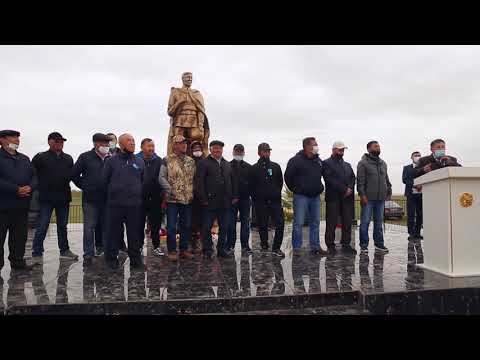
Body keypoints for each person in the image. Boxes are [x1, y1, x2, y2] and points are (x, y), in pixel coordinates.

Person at [31, 132, 78, 263]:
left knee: (62, 226)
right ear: (49, 142)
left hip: (63, 198)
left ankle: (64, 250)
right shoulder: (40, 157)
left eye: (62, 141)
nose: (60, 143)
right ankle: (37, 252)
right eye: (57, 141)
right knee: (42, 226)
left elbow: (73, 176)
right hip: (46, 198)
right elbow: (31, 174)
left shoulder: (68, 158)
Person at [103, 133, 145, 270]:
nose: (132, 142)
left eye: (133, 140)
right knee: (113, 233)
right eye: (129, 140)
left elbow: (142, 180)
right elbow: (104, 181)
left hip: (134, 205)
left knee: (134, 234)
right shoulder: (111, 161)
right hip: (115, 205)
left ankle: (136, 261)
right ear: (121, 144)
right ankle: (111, 260)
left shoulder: (139, 161)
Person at [71, 133, 111, 265]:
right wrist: (85, 186)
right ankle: (88, 254)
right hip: (90, 199)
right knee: (89, 228)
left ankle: (106, 252)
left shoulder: (111, 158)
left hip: (107, 199)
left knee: (106, 227)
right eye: (103, 143)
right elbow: (74, 174)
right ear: (95, 144)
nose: (106, 146)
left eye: (107, 143)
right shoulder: (85, 157)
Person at [196, 140, 239, 259]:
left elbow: (233, 181)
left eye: (219, 148)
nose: (217, 150)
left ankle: (221, 250)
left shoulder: (227, 164)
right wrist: (203, 198)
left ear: (222, 150)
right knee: (206, 227)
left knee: (224, 227)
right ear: (210, 149)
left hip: (225, 202)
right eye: (215, 148)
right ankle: (207, 250)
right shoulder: (204, 163)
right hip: (209, 202)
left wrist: (235, 195)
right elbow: (199, 182)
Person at [284, 137, 328, 255]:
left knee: (315, 222)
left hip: (315, 197)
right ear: (307, 147)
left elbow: (325, 175)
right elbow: (288, 176)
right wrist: (296, 189)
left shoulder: (318, 161)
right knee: (298, 222)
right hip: (301, 196)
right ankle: (297, 248)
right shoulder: (296, 160)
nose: (316, 146)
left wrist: (321, 187)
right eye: (314, 144)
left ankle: (315, 246)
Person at [0, 130, 34, 270]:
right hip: (3, 206)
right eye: (13, 137)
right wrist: (16, 189)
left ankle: (17, 261)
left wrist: (30, 187)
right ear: (2, 140)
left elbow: (35, 176)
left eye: (18, 137)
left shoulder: (24, 158)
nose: (17, 140)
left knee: (19, 237)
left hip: (21, 206)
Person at [159, 135, 196, 262]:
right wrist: (170, 190)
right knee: (171, 227)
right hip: (172, 200)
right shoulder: (166, 160)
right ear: (174, 145)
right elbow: (161, 177)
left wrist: (192, 192)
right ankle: (172, 251)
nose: (183, 145)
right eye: (180, 143)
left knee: (186, 225)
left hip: (187, 199)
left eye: (185, 143)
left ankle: (184, 249)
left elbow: (194, 178)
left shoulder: (191, 161)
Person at [249, 143, 285, 257]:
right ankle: (264, 244)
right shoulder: (253, 168)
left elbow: (280, 182)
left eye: (268, 151)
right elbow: (251, 185)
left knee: (280, 223)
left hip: (275, 201)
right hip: (260, 202)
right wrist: (256, 198)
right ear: (259, 153)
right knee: (262, 224)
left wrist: (275, 193)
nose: (267, 153)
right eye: (264, 151)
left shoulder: (275, 166)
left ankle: (276, 247)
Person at [357, 140, 391, 253]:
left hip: (380, 199)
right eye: (375, 146)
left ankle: (379, 244)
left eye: (379, 146)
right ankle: (363, 245)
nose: (378, 148)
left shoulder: (383, 163)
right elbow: (360, 182)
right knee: (365, 222)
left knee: (378, 223)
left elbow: (386, 179)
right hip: (368, 199)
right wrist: (362, 195)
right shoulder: (363, 163)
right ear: (369, 149)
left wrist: (388, 191)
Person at [323, 141, 357, 254]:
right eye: (339, 149)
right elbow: (330, 179)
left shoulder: (347, 165)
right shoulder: (326, 163)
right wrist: (344, 189)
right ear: (333, 150)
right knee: (331, 222)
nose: (341, 151)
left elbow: (353, 178)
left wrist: (350, 188)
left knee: (347, 222)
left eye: (343, 150)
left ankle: (346, 244)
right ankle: (330, 245)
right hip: (333, 198)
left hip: (347, 199)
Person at [136, 138, 165, 257]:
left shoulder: (159, 160)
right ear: (142, 147)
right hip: (139, 197)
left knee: (156, 224)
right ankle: (138, 247)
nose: (151, 148)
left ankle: (156, 245)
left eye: (153, 146)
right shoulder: (135, 159)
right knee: (138, 223)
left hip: (155, 197)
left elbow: (162, 177)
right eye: (149, 146)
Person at [226, 144, 253, 254]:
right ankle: (230, 245)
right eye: (237, 151)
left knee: (245, 223)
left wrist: (249, 195)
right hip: (231, 200)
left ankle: (245, 246)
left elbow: (252, 184)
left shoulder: (249, 167)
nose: (239, 153)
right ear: (233, 152)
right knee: (230, 223)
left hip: (245, 199)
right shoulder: (227, 166)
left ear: (244, 152)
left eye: (240, 151)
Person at [106, 132, 127, 253]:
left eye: (112, 140)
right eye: (108, 140)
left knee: (120, 224)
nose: (110, 142)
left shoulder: (122, 153)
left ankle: (121, 244)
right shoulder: (104, 155)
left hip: (121, 194)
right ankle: (106, 246)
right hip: (108, 193)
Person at [402, 151, 423, 241]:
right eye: (415, 155)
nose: (417, 157)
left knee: (420, 214)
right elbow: (404, 179)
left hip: (421, 193)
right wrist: (415, 184)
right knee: (411, 214)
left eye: (419, 155)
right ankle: (411, 233)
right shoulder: (406, 168)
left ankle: (418, 233)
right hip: (411, 194)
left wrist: (421, 185)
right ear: (411, 157)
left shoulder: (423, 167)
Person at [190, 140, 205, 254]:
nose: (197, 151)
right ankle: (193, 244)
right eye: (194, 149)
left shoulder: (206, 162)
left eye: (198, 149)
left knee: (204, 222)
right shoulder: (189, 162)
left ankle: (205, 244)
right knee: (192, 222)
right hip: (191, 197)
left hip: (203, 197)